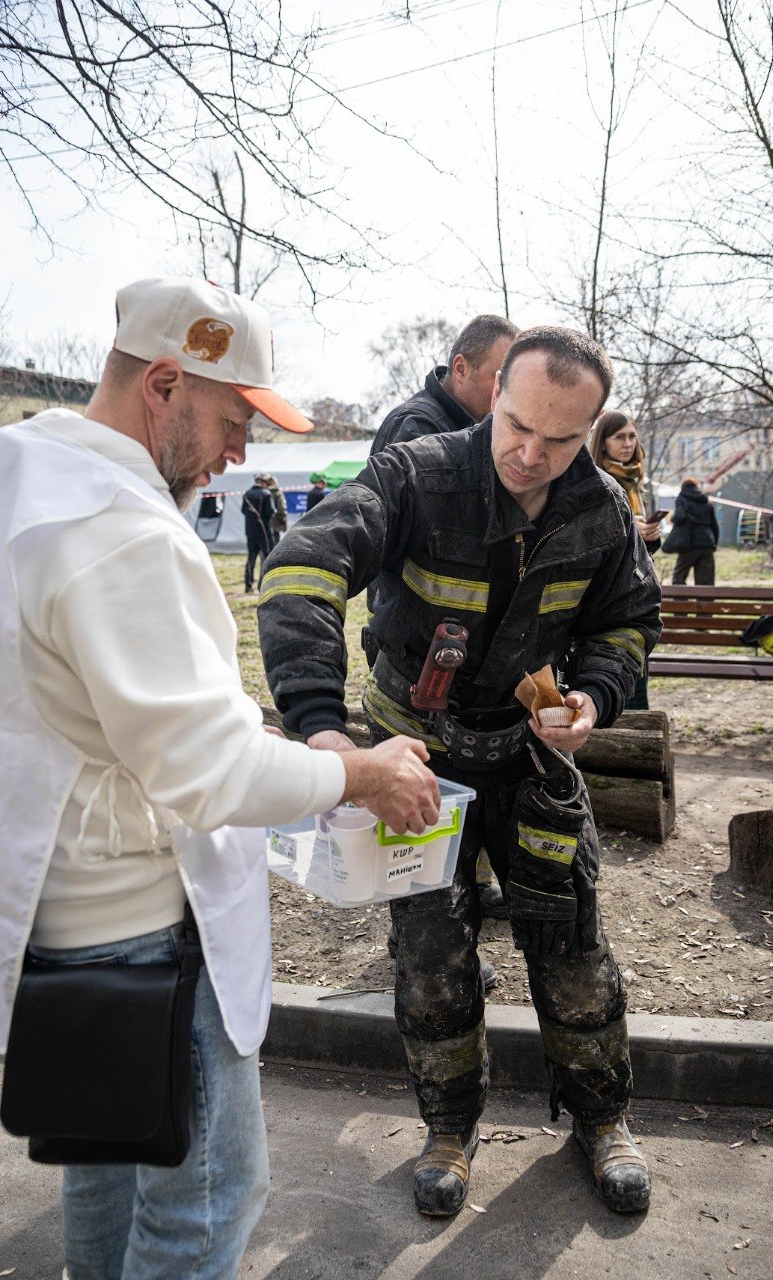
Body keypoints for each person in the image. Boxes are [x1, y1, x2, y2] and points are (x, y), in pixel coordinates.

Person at [0, 276, 441, 1280]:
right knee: (203, 1202)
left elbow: (119, 708)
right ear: (163, 384)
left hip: (50, 897)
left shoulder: (22, 471)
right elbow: (202, 769)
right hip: (146, 912)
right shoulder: (121, 531)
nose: (241, 451)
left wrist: (295, 747)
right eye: (235, 418)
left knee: (105, 1162)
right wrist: (360, 770)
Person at [258, 325, 662, 1220]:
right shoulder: (417, 474)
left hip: (529, 760)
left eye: (559, 441)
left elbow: (629, 623)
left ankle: (603, 1121)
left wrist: (594, 697)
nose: (530, 453)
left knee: (573, 949)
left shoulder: (596, 509)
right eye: (516, 425)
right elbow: (299, 572)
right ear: (491, 394)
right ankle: (448, 1127)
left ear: (588, 431)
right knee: (431, 961)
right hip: (415, 764)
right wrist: (324, 734)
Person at [371, 313, 519, 942]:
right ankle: (422, 937)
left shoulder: (476, 426)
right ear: (461, 369)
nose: (507, 400)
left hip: (459, 660)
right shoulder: (420, 432)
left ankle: (460, 900)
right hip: (420, 652)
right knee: (425, 801)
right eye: (498, 382)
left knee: (458, 801)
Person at [589, 410, 662, 710]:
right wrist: (631, 531)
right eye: (619, 436)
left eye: (632, 435)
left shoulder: (636, 481)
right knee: (615, 678)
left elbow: (645, 554)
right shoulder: (595, 479)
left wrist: (651, 537)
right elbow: (592, 538)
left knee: (636, 673)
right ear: (603, 442)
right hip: (605, 594)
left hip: (637, 591)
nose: (628, 443)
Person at [369, 313, 519, 455]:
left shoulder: (475, 427)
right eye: (501, 378)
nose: (509, 392)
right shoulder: (415, 425)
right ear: (461, 369)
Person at [663, 476, 720, 584]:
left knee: (679, 578)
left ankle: (680, 600)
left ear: (683, 487)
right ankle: (705, 601)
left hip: (688, 543)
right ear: (696, 487)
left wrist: (672, 518)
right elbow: (715, 526)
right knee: (705, 583)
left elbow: (679, 517)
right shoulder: (706, 502)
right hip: (707, 543)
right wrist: (713, 544)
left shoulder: (682, 499)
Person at [242, 473, 275, 592]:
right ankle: (268, 584)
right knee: (268, 558)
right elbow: (270, 512)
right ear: (263, 483)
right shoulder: (266, 494)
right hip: (264, 531)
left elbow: (243, 511)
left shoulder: (247, 494)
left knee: (251, 558)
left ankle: (248, 584)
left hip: (250, 531)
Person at [256, 471, 288, 546]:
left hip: (266, 523)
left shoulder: (272, 492)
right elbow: (282, 508)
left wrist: (282, 518)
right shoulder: (276, 492)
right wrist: (283, 519)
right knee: (273, 545)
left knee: (267, 545)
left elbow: (281, 508)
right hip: (272, 522)